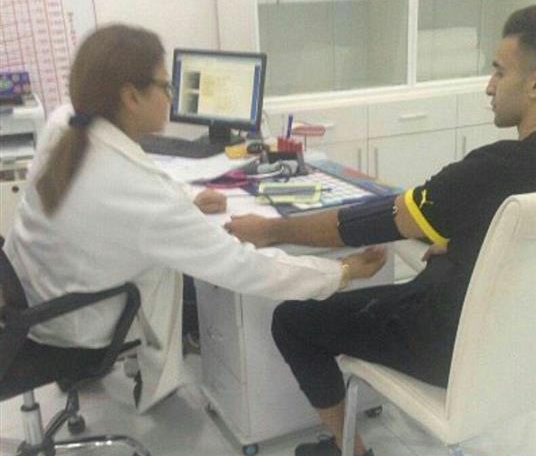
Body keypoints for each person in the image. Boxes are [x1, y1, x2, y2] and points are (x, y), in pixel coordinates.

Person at [226, 4, 536, 456]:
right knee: (433, 257)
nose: (489, 86)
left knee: (291, 320)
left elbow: (368, 224)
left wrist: (272, 231)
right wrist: (462, 245)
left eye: (499, 72)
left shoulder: (489, 171)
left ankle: (352, 455)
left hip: (453, 353)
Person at [3, 24, 385, 412]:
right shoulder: (142, 195)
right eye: (165, 86)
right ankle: (160, 384)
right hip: (72, 328)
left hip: (31, 303)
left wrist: (187, 198)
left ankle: (166, 369)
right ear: (131, 96)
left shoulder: (65, 122)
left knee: (168, 260)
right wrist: (339, 272)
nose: (171, 97)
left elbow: (134, 184)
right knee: (172, 269)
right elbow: (242, 267)